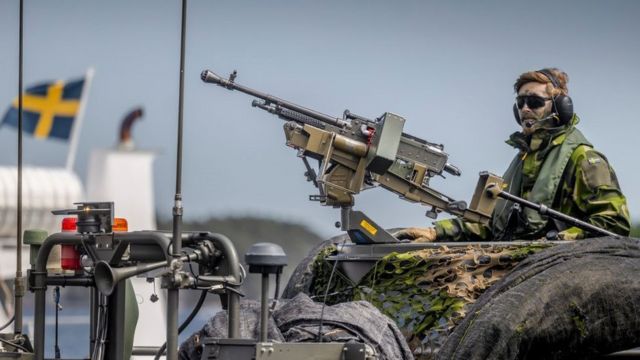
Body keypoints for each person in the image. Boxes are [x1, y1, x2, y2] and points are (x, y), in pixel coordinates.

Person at [397, 68, 630, 242]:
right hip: (516, 267)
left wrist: (558, 242)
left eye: (535, 102)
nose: (525, 108)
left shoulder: (585, 160)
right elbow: (491, 228)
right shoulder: (523, 159)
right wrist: (435, 232)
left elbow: (613, 224)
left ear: (560, 107)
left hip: (560, 271)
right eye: (521, 102)